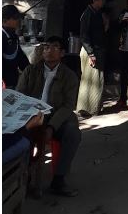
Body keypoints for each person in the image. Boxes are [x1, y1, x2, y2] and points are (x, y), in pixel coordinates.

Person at [17, 37, 81, 197]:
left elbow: (68, 106)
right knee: (17, 134)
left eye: (54, 47)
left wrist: (52, 126)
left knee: (72, 133)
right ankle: (24, 176)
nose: (49, 50)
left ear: (62, 53)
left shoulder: (69, 76)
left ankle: (58, 180)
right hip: (32, 116)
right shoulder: (30, 71)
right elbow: (20, 96)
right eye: (46, 47)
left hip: (55, 118)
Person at [76, 0, 108, 117]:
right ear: (95, 0)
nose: (103, 2)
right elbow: (84, 36)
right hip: (91, 50)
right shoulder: (87, 14)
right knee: (91, 81)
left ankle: (92, 108)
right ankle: (88, 108)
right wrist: (91, 53)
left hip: (97, 49)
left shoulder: (97, 13)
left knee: (96, 80)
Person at [2, 4, 29, 89]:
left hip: (13, 81)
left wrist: (30, 70)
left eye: (18, 17)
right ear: (4, 20)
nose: (18, 20)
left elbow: (20, 56)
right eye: (15, 18)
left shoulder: (13, 36)